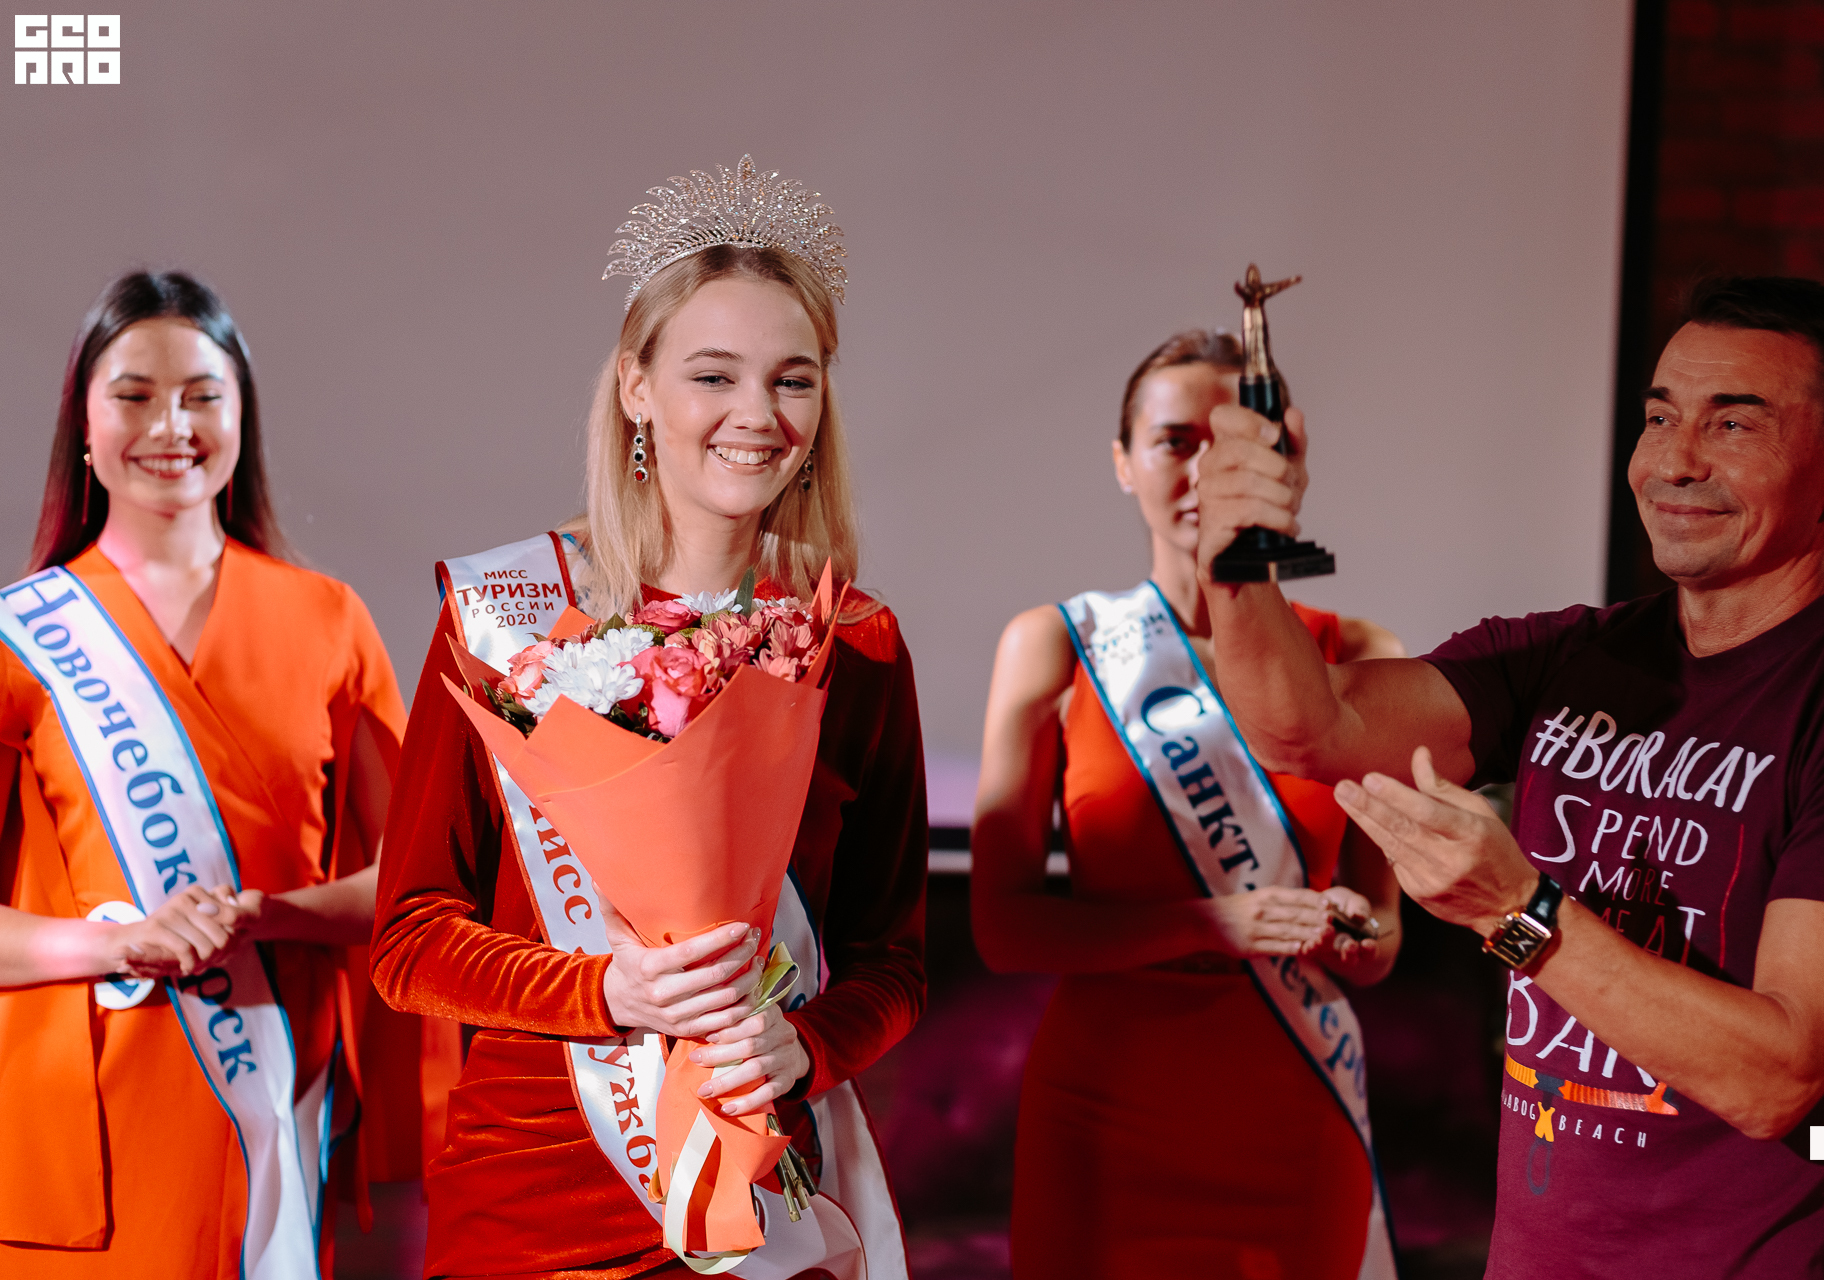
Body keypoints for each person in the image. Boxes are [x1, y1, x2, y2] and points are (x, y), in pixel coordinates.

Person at [1194, 275, 1824, 1277]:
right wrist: (1236, 559)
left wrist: (1517, 912)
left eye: (1733, 424)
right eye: (1659, 417)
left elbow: (1779, 1077)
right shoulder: (1572, 654)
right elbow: (1307, 728)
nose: (1675, 461)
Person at [370, 156, 926, 1280]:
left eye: (793, 380)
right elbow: (408, 939)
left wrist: (805, 1046)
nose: (757, 416)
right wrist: (603, 990)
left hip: (755, 1185)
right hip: (533, 1200)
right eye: (713, 375)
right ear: (636, 386)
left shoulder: (855, 643)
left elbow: (894, 962)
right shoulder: (505, 618)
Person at [0, 271, 447, 1279]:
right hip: (81, 1127)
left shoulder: (327, 619)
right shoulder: (20, 637)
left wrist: (269, 915)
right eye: (135, 395)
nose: (172, 425)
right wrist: (118, 940)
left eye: (203, 394)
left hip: (274, 1098)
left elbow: (418, 881)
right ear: (83, 425)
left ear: (242, 415)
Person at [973, 328, 1407, 1280]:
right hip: (1102, 1115)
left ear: (1285, 460)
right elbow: (1003, 929)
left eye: (1236, 442)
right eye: (1174, 441)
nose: (1207, 470)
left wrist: (1352, 931)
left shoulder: (1362, 657)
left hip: (1294, 1108)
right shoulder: (1057, 645)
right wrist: (1215, 923)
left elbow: (1382, 940)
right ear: (1123, 462)